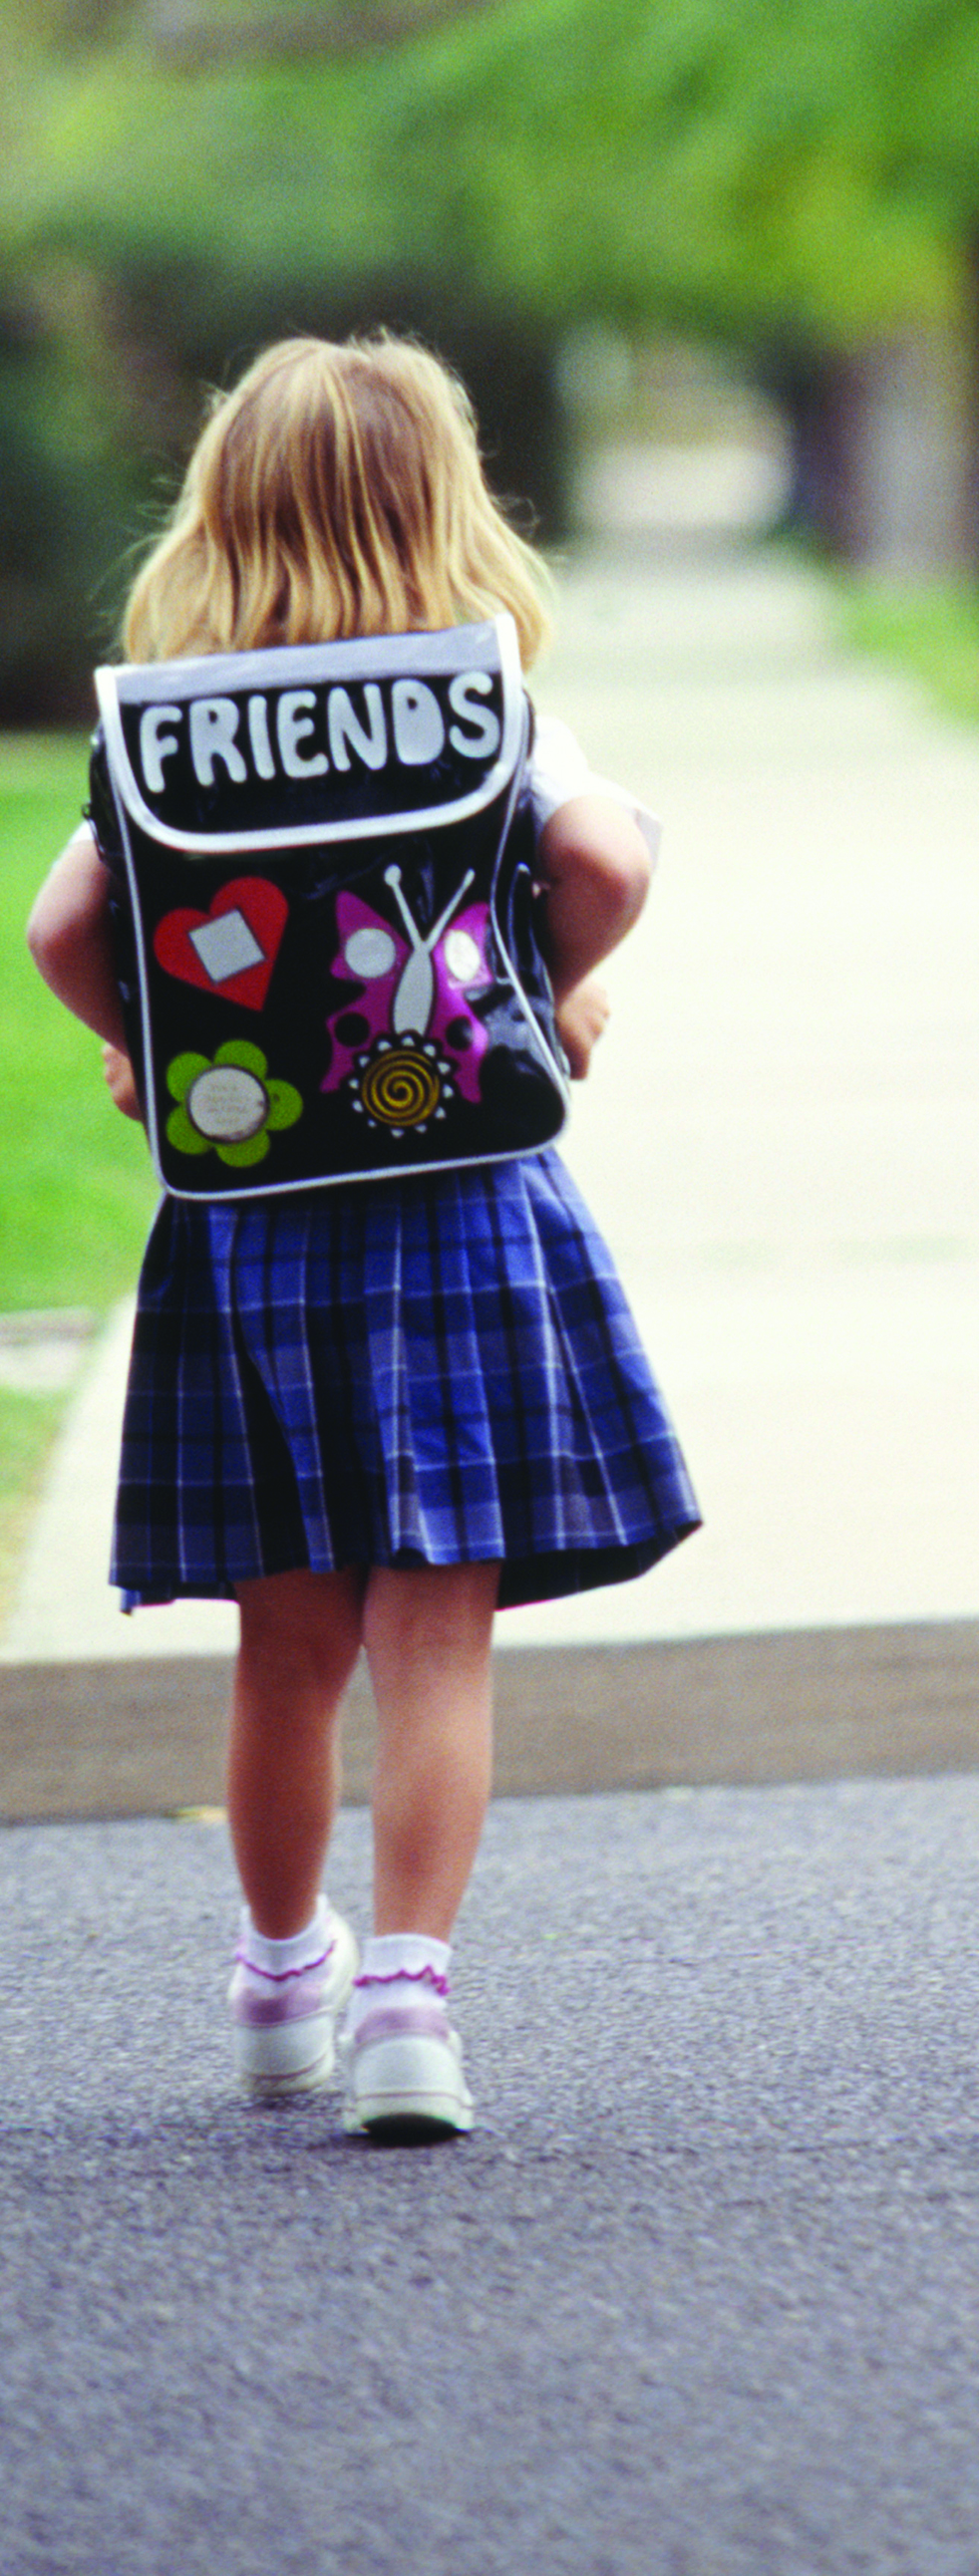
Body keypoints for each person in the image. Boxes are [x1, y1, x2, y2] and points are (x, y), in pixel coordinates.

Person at [27, 335, 697, 2140]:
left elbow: (60, 925)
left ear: (223, 510)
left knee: (283, 1639)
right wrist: (548, 993)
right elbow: (609, 868)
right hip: (463, 1195)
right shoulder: (482, 701)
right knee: (435, 1637)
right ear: (446, 504)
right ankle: (408, 1998)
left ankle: (272, 1980)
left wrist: (143, 1045)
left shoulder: (160, 725)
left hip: (253, 1220)